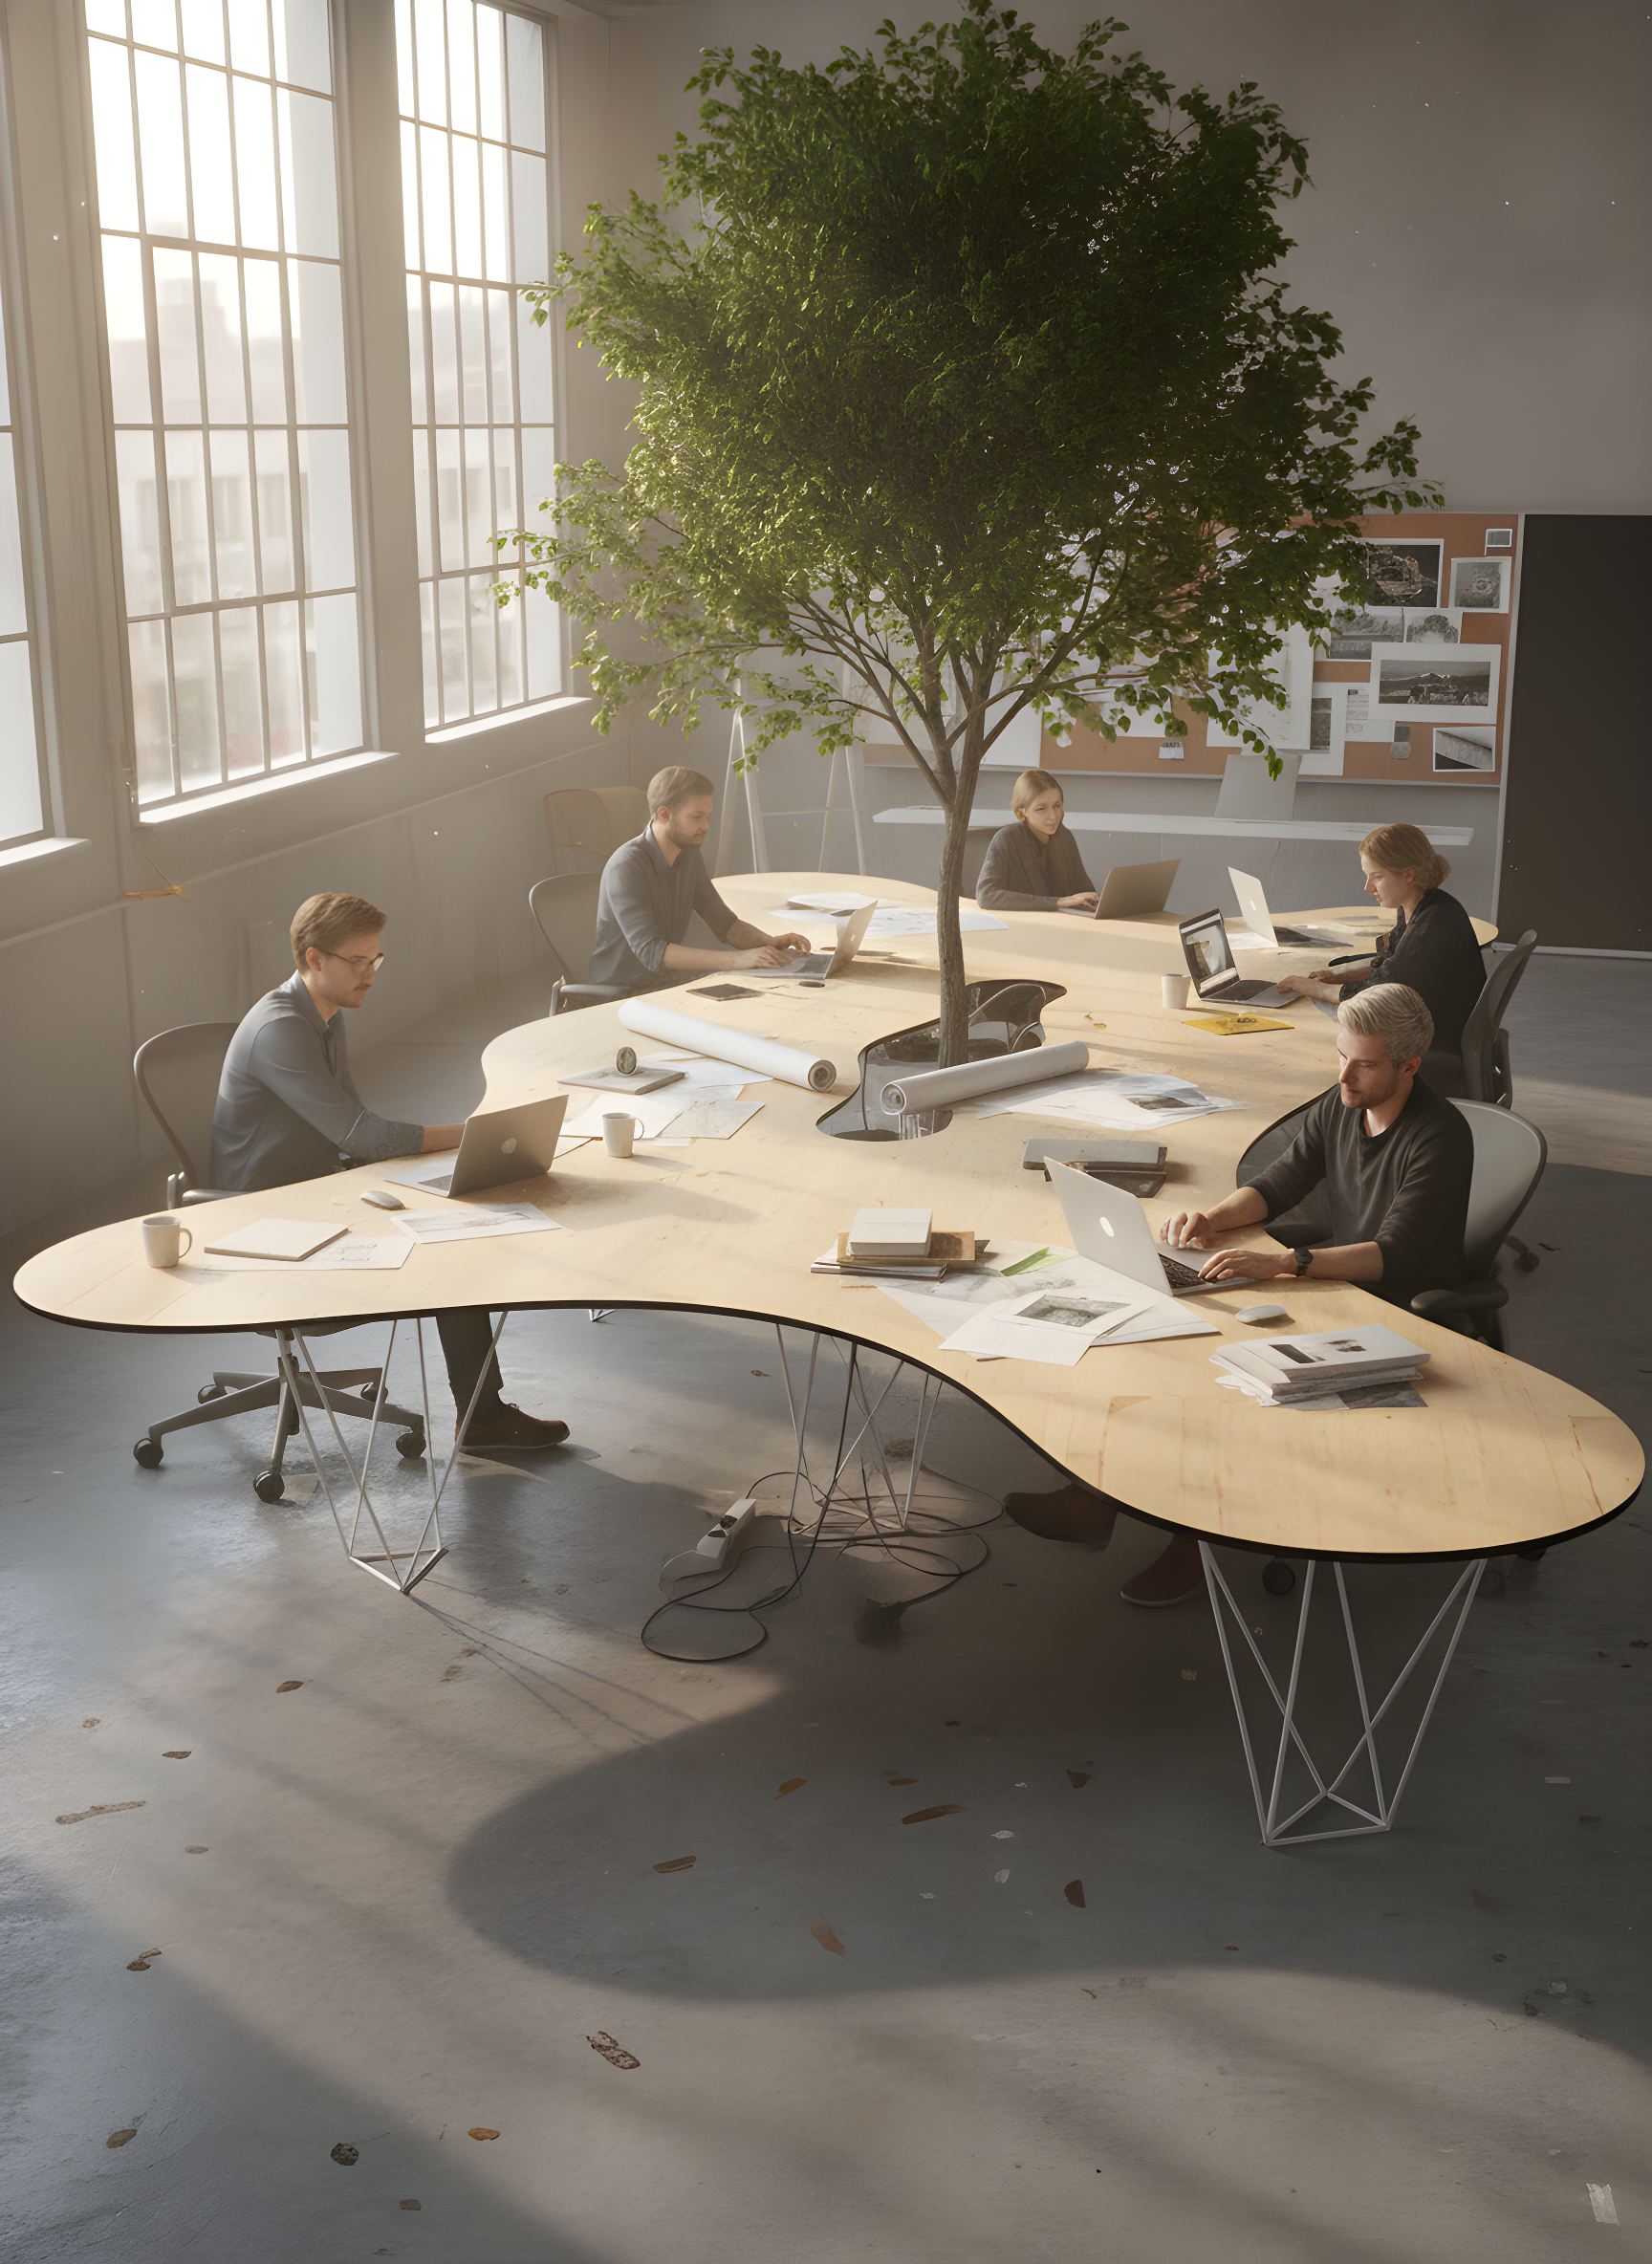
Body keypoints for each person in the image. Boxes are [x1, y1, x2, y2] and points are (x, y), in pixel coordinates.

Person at [1001, 983, 1472, 1607]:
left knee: (1227, 1382)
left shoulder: (1439, 1136)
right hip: (1336, 1288)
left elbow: (1397, 1254)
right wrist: (1214, 1219)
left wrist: (1282, 1263)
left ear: (1409, 1066)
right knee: (1174, 1341)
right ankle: (1099, 1500)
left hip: (1395, 1314)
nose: (1344, 1075)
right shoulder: (1344, 1102)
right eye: (1341, 1055)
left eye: (1363, 1064)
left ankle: (1192, 1545)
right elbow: (1279, 1183)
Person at [211, 892, 569, 1450]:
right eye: (358, 961)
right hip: (269, 1219)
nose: (371, 974)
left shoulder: (324, 1013)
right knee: (448, 1254)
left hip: (318, 1190)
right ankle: (482, 1421)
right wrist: (475, 1132)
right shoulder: (280, 1029)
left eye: (376, 959)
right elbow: (364, 1136)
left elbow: (356, 1135)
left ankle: (482, 1417)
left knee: (454, 1226)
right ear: (314, 958)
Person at [588, 766, 815, 992]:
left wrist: (771, 943)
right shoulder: (626, 866)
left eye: (707, 817)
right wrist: (738, 959)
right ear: (664, 814)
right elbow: (652, 952)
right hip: (620, 992)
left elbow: (725, 924)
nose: (705, 827)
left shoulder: (688, 854)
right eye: (696, 817)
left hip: (664, 983)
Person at [1274, 822, 1487, 1058]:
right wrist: (1334, 976)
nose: (1368, 887)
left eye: (1377, 877)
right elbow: (1390, 963)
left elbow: (1377, 989)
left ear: (1408, 874)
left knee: (1319, 1025)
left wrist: (1307, 986)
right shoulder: (1419, 905)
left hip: (1435, 1045)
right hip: (1434, 1026)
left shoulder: (1433, 921)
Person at [973, 770, 1099, 913]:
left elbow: (1085, 890)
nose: (1053, 816)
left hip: (1061, 921)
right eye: (1041, 809)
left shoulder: (1065, 837)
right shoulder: (1006, 839)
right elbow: (986, 895)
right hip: (1021, 922)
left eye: (1057, 806)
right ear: (1021, 812)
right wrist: (1057, 902)